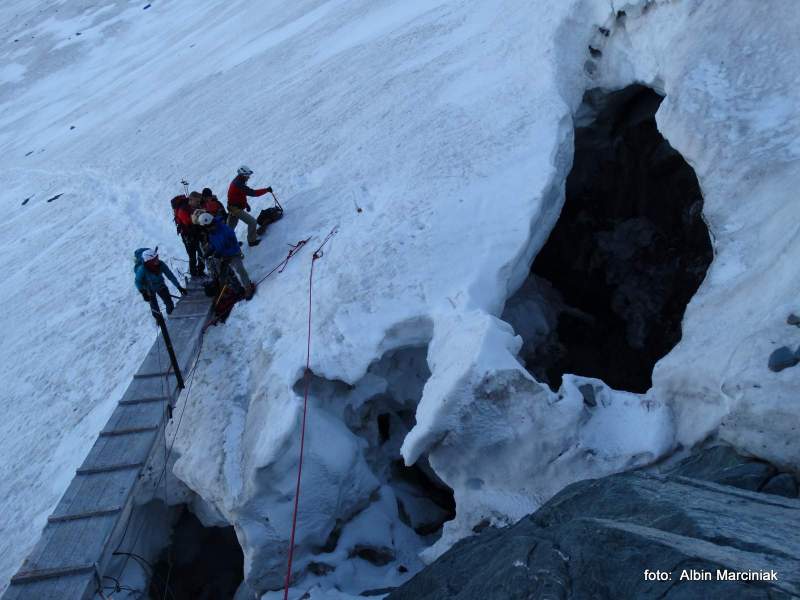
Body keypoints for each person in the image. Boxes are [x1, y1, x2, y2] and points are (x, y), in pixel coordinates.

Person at [207, 215, 256, 300]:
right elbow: (214, 243)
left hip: (233, 253)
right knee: (222, 273)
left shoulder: (225, 229)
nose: (208, 229)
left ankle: (248, 287)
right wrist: (211, 250)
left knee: (240, 269)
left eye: (209, 227)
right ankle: (231, 290)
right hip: (222, 255)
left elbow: (232, 243)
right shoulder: (211, 233)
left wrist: (224, 252)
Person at [227, 165, 272, 247]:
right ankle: (252, 241)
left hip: (233, 207)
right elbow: (253, 193)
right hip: (235, 209)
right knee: (252, 222)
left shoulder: (239, 181)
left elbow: (239, 195)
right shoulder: (238, 184)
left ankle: (230, 244)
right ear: (243, 175)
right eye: (247, 175)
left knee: (229, 229)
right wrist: (266, 190)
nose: (249, 177)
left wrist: (246, 204)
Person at [134, 247, 187, 314]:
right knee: (155, 308)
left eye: (157, 258)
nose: (157, 260)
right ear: (149, 261)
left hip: (160, 284)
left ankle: (171, 316)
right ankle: (159, 321)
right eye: (155, 259)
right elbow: (137, 281)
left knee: (169, 303)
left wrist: (178, 287)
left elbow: (170, 275)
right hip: (148, 288)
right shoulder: (142, 269)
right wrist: (143, 292)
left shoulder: (161, 264)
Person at [172, 194, 205, 277]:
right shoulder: (182, 211)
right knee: (192, 255)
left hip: (195, 233)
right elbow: (189, 223)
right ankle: (194, 274)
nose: (198, 203)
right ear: (191, 200)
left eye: (199, 201)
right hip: (188, 236)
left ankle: (200, 271)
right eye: (197, 201)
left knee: (201, 253)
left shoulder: (191, 207)